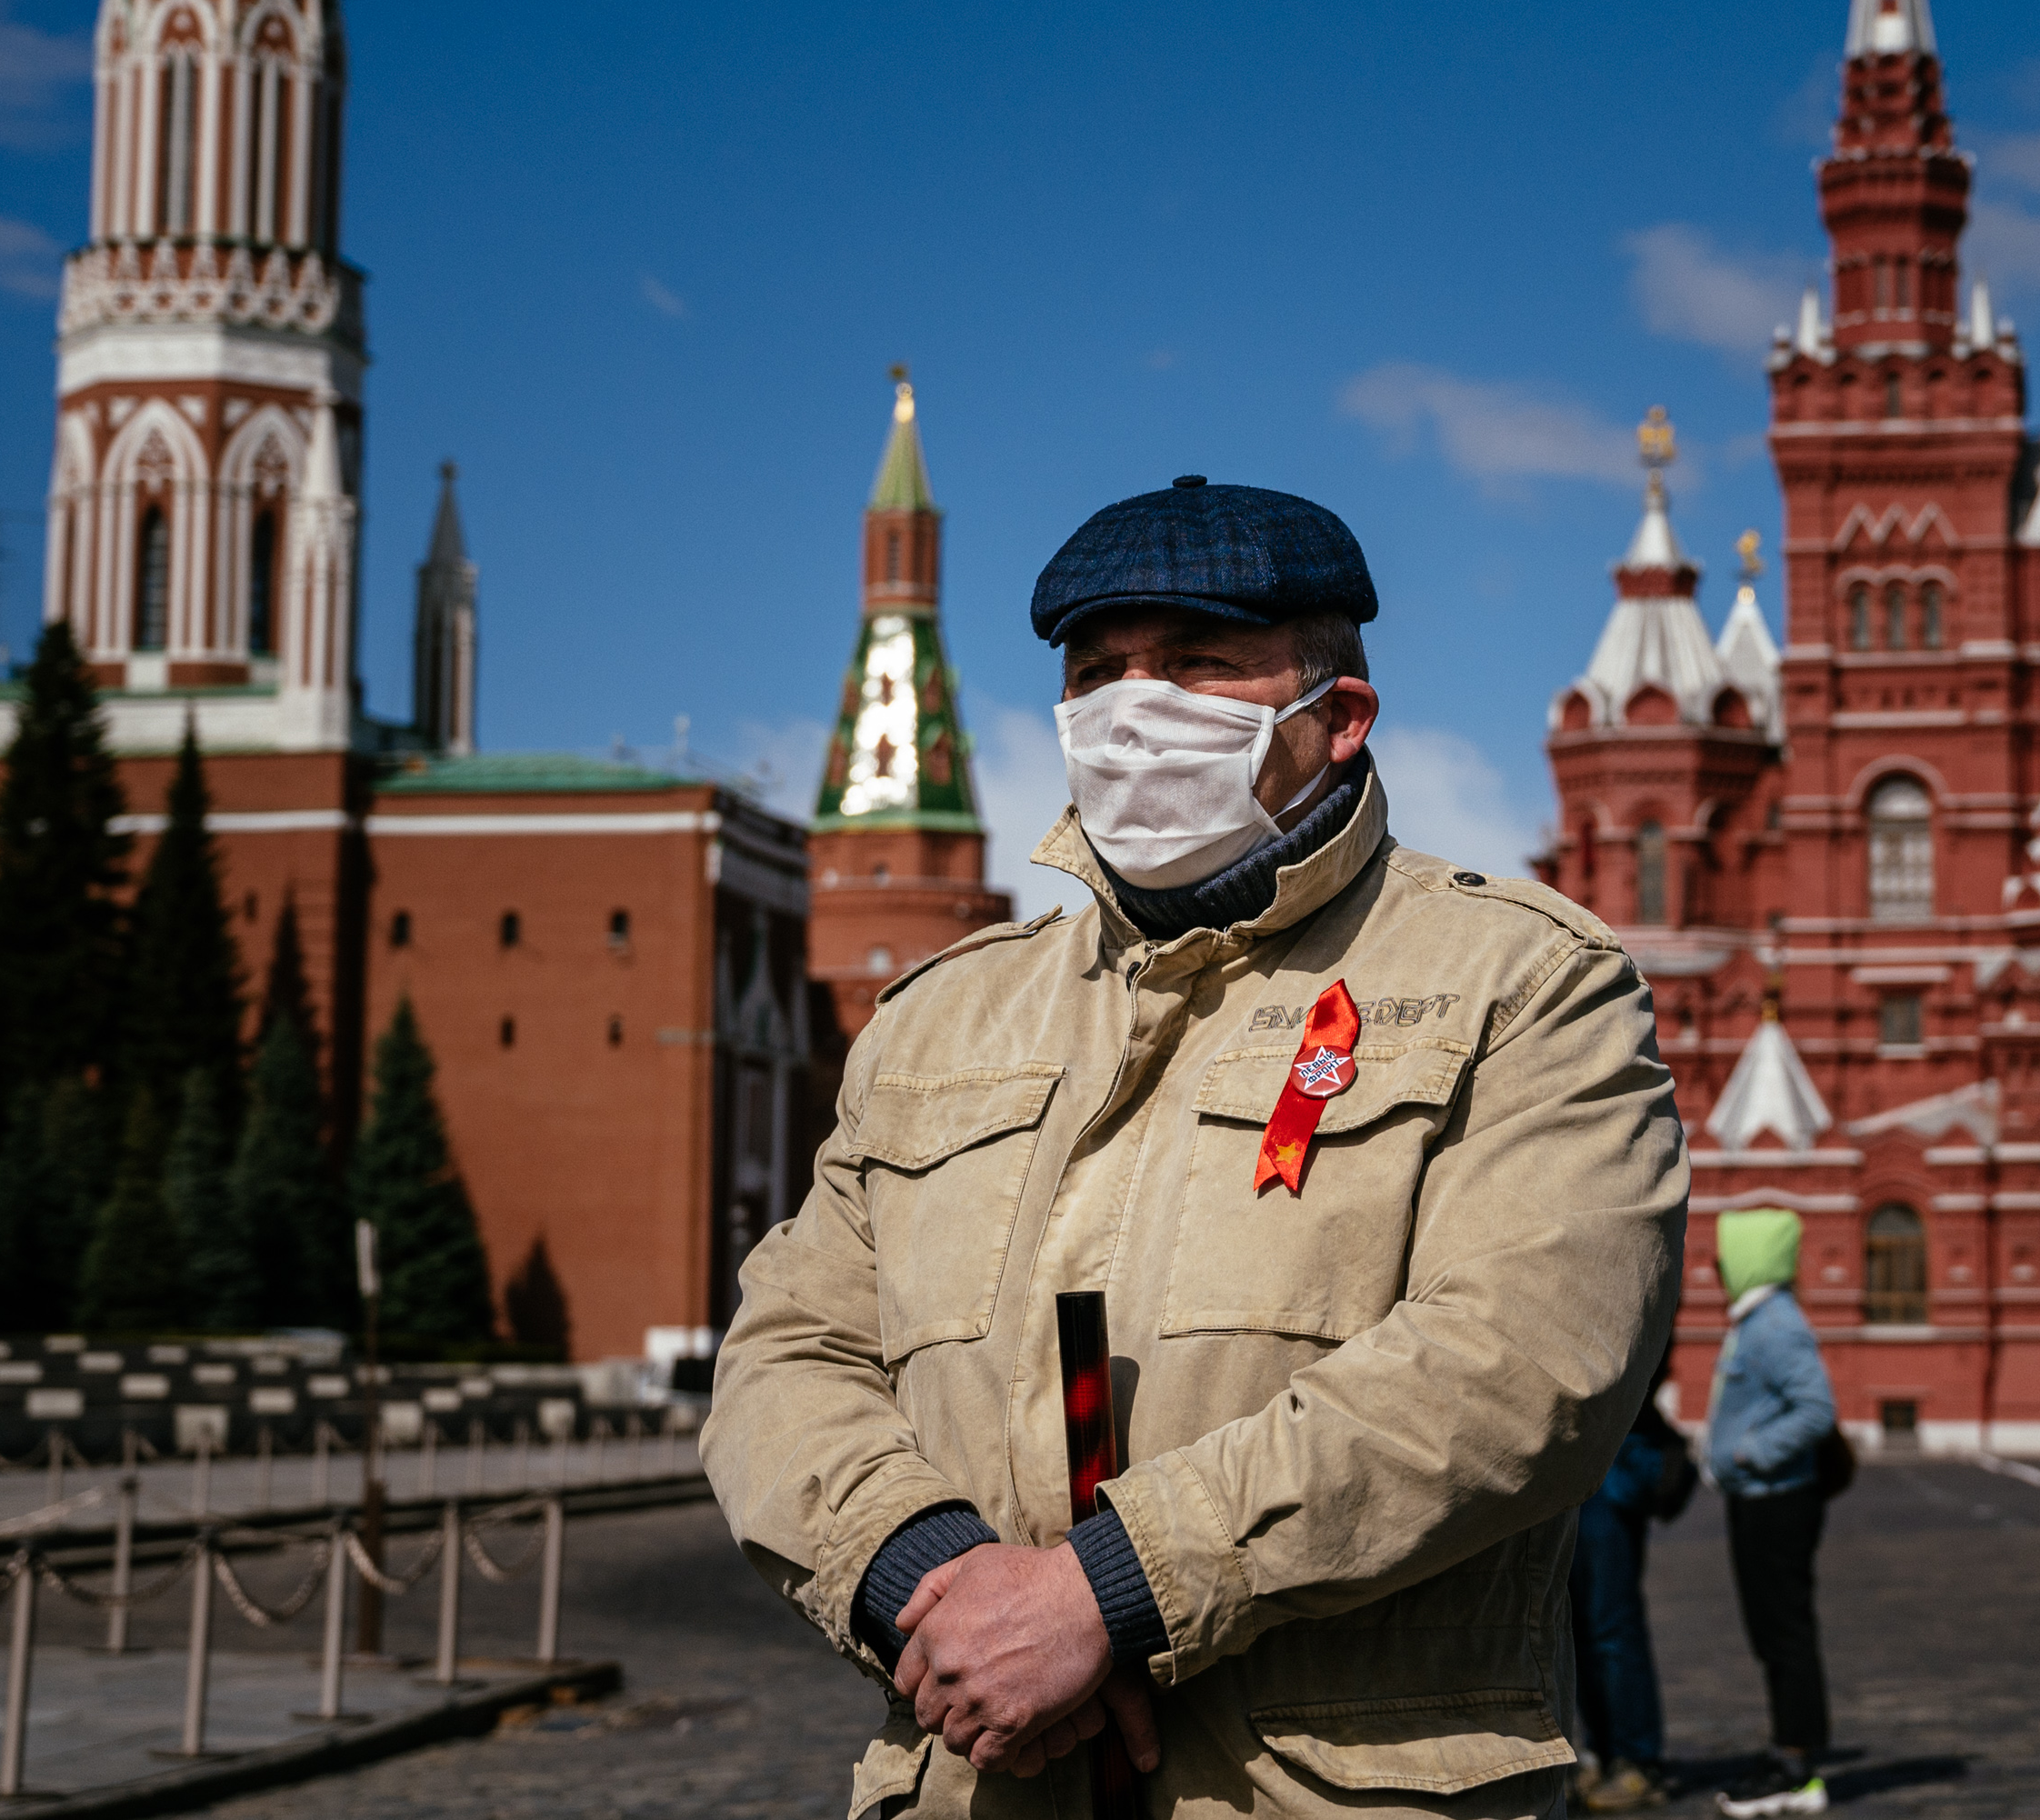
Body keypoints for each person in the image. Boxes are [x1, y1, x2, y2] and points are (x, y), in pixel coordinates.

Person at [703, 475, 1691, 1818]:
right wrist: (921, 1580)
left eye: (1199, 665)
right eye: (1098, 672)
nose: (1132, 709)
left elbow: (1528, 1361)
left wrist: (1112, 1592)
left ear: (1338, 718)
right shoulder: (943, 1018)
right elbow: (786, 1352)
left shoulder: (1518, 982)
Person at [1701, 1208, 1838, 1818]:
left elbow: (1816, 1408)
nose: (1717, 1266)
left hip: (1776, 1499)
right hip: (1759, 1498)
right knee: (1773, 1632)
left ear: (1751, 1257)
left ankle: (1796, 1767)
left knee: (1785, 1631)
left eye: (1726, 1254)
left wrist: (1748, 1451)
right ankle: (1788, 1750)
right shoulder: (1758, 1319)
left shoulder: (1775, 1324)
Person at [1570, 1388, 1693, 1812]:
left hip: (1609, 1457)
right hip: (1569, 1456)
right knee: (1578, 1624)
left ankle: (1638, 1759)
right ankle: (1601, 1752)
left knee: (1611, 1622)